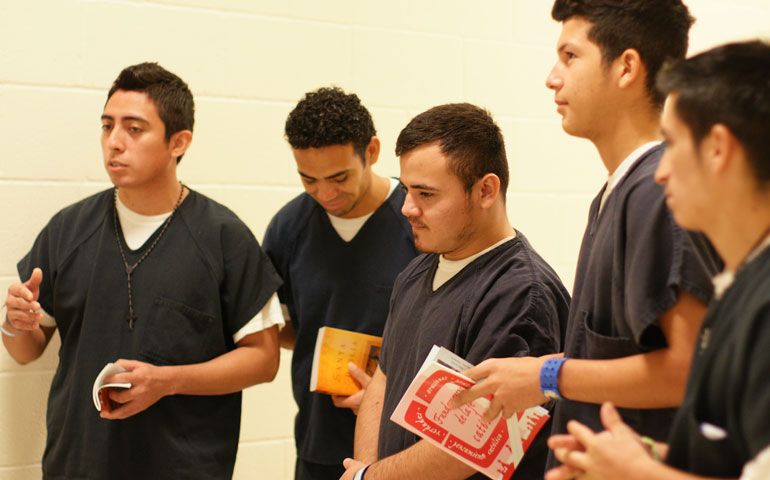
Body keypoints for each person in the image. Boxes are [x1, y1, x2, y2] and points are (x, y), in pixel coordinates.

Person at [450, 1, 718, 464]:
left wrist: (547, 376)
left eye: (570, 57)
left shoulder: (657, 193)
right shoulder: (616, 194)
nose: (553, 77)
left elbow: (689, 367)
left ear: (627, 67)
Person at [1, 62, 283, 479]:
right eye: (106, 125)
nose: (114, 142)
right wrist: (13, 325)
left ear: (178, 142)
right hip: (77, 465)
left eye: (134, 129)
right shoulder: (69, 229)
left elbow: (264, 360)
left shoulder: (223, 236)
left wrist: (167, 381)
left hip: (183, 467)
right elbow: (27, 351)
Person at [545, 39, 770, 480]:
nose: (661, 169)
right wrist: (645, 455)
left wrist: (639, 474)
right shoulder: (739, 287)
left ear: (718, 148)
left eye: (671, 143)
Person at [341, 103, 571, 480]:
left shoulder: (522, 294)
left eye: (426, 195)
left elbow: (468, 448)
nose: (407, 208)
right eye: (405, 190)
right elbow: (384, 379)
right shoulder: (416, 272)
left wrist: (371, 478)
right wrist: (366, 468)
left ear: (485, 190)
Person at [262, 86, 418, 480]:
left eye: (338, 177)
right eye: (308, 179)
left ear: (372, 151)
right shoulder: (288, 229)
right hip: (320, 443)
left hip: (408, 444)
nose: (325, 193)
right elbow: (276, 326)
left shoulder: (419, 222)